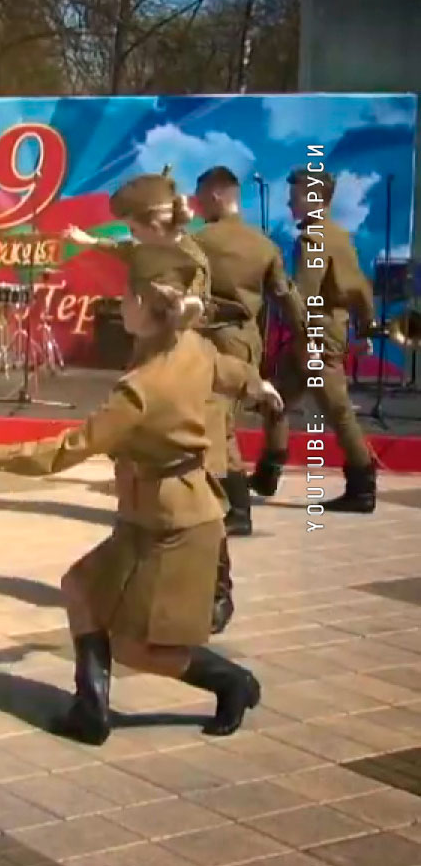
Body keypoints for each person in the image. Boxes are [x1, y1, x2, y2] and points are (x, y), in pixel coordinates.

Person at [0, 263, 274, 746]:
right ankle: (91, 710)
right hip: (149, 514)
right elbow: (226, 368)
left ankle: (232, 682)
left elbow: (70, 447)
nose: (120, 305)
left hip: (173, 523)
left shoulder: (139, 389)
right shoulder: (190, 345)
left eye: (126, 298)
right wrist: (257, 385)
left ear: (148, 308)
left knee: (137, 649)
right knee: (79, 586)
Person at [69, 172, 247, 633]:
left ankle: (218, 590)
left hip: (183, 377)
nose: (129, 236)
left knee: (198, 482)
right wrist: (88, 240)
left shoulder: (188, 257)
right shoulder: (150, 248)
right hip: (153, 367)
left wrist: (182, 308)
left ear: (152, 223)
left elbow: (195, 308)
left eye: (132, 225)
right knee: (137, 469)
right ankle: (137, 577)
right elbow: (127, 251)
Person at [252, 169, 378, 512]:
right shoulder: (339, 235)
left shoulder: (312, 239)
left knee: (336, 411)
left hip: (314, 336)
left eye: (294, 195)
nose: (289, 201)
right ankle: (268, 471)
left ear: (312, 197)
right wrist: (365, 327)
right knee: (276, 397)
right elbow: (360, 287)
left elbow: (305, 296)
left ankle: (363, 487)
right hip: (323, 333)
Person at [190, 166, 303, 539]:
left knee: (220, 425)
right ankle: (261, 472)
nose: (198, 204)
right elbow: (285, 297)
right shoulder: (265, 245)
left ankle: (237, 508)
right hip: (247, 340)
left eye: (202, 197)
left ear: (218, 196)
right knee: (224, 421)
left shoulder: (200, 241)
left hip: (213, 339)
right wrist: (308, 334)